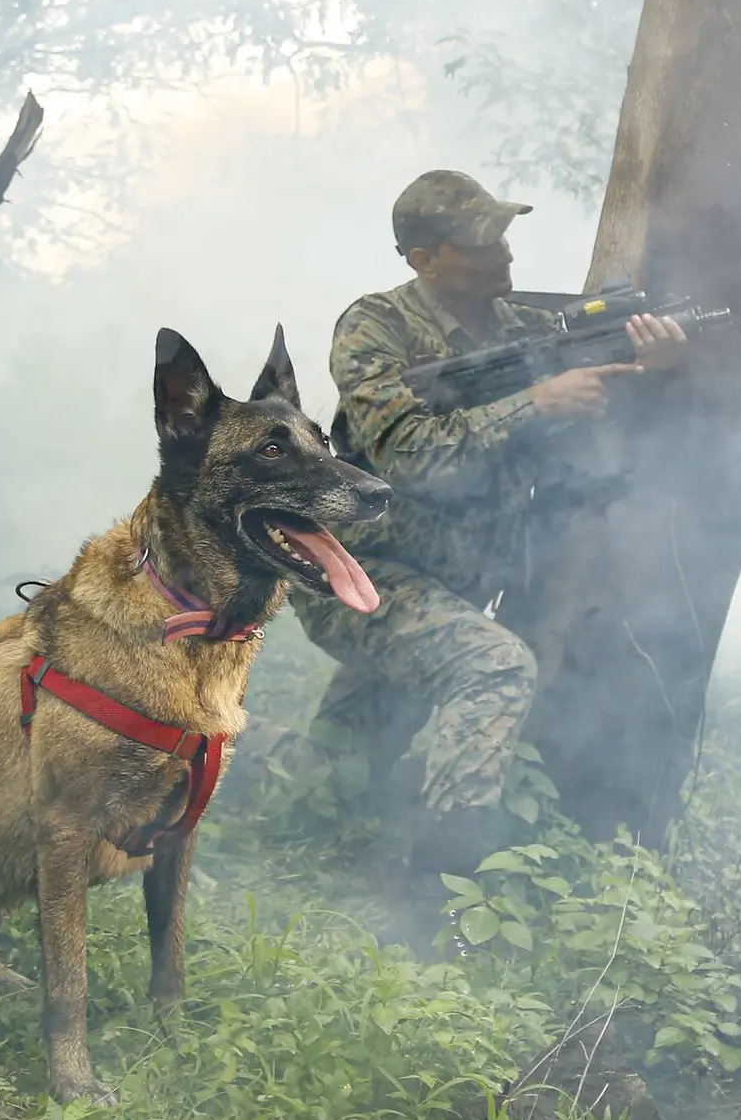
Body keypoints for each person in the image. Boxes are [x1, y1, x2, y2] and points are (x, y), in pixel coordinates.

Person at [292, 169, 687, 875]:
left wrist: (652, 362)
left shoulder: (529, 330)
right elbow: (410, 456)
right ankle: (442, 886)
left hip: (450, 585)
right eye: (481, 242)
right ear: (423, 258)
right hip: (360, 575)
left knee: (330, 775)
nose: (505, 253)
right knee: (495, 667)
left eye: (503, 235)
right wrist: (536, 402)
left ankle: (205, 764)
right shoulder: (375, 327)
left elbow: (606, 412)